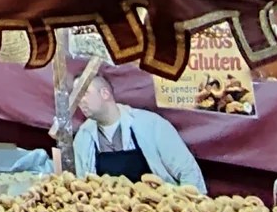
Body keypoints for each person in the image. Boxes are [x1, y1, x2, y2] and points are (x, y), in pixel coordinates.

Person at [72, 75, 206, 190]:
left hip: (160, 211)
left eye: (84, 93)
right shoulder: (82, 138)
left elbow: (188, 171)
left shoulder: (151, 125)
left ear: (105, 94)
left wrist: (194, 209)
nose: (79, 101)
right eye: (76, 95)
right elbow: (84, 186)